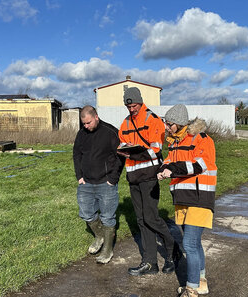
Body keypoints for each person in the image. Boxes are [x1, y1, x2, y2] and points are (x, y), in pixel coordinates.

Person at [157, 104, 217, 297]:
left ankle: (191, 288)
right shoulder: (174, 142)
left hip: (199, 198)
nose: (166, 127)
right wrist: (161, 169)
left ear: (179, 123)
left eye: (169, 123)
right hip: (182, 198)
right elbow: (169, 161)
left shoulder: (201, 139)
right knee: (195, 243)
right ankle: (201, 282)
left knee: (189, 244)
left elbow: (199, 165)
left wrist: (172, 170)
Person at [118, 87, 176, 276]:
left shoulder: (152, 119)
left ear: (140, 102)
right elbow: (121, 145)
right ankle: (150, 262)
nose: (131, 109)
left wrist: (137, 153)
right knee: (142, 220)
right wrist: (124, 151)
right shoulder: (125, 123)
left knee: (151, 218)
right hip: (133, 176)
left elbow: (156, 148)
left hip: (150, 175)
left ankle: (172, 250)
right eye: (128, 106)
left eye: (134, 105)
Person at [73, 105, 124, 264]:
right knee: (86, 213)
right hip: (86, 183)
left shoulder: (110, 132)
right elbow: (76, 155)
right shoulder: (81, 134)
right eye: (84, 124)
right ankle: (99, 236)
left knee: (108, 217)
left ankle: (107, 250)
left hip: (106, 183)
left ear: (96, 117)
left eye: (88, 123)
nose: (86, 126)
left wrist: (113, 179)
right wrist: (79, 176)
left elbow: (121, 156)